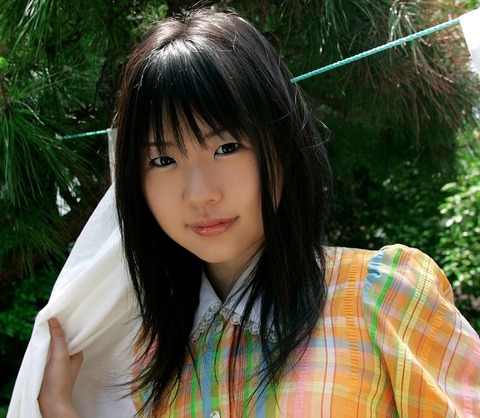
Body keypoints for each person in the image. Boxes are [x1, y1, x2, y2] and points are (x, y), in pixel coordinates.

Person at [21, 6, 480, 418]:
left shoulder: (379, 295)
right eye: (162, 159)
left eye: (226, 147)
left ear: (281, 144)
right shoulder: (150, 358)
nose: (200, 194)